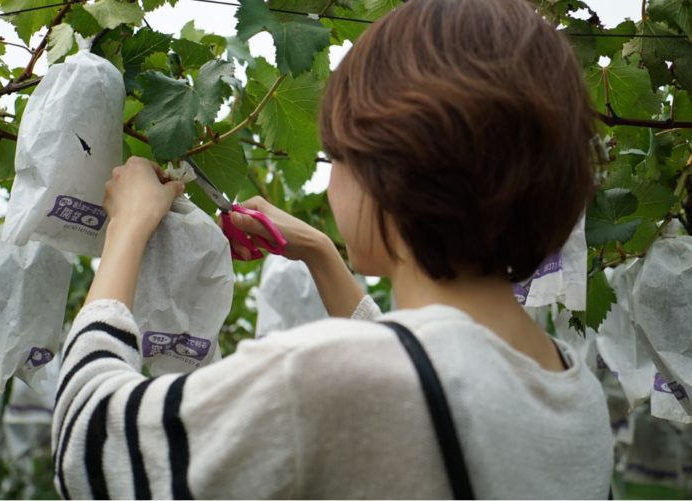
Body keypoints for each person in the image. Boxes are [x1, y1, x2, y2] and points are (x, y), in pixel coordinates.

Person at [51, 0, 614, 498]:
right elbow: (425, 362)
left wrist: (127, 228)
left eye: (336, 157)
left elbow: (90, 441)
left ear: (387, 167)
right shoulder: (571, 387)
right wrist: (320, 250)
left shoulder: (326, 376)